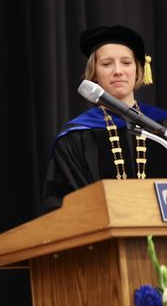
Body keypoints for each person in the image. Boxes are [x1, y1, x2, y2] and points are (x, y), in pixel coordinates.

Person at [41, 25, 167, 213]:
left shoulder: (162, 127)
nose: (118, 71)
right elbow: (62, 209)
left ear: (138, 69)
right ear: (94, 73)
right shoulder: (76, 137)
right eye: (107, 64)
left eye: (126, 62)